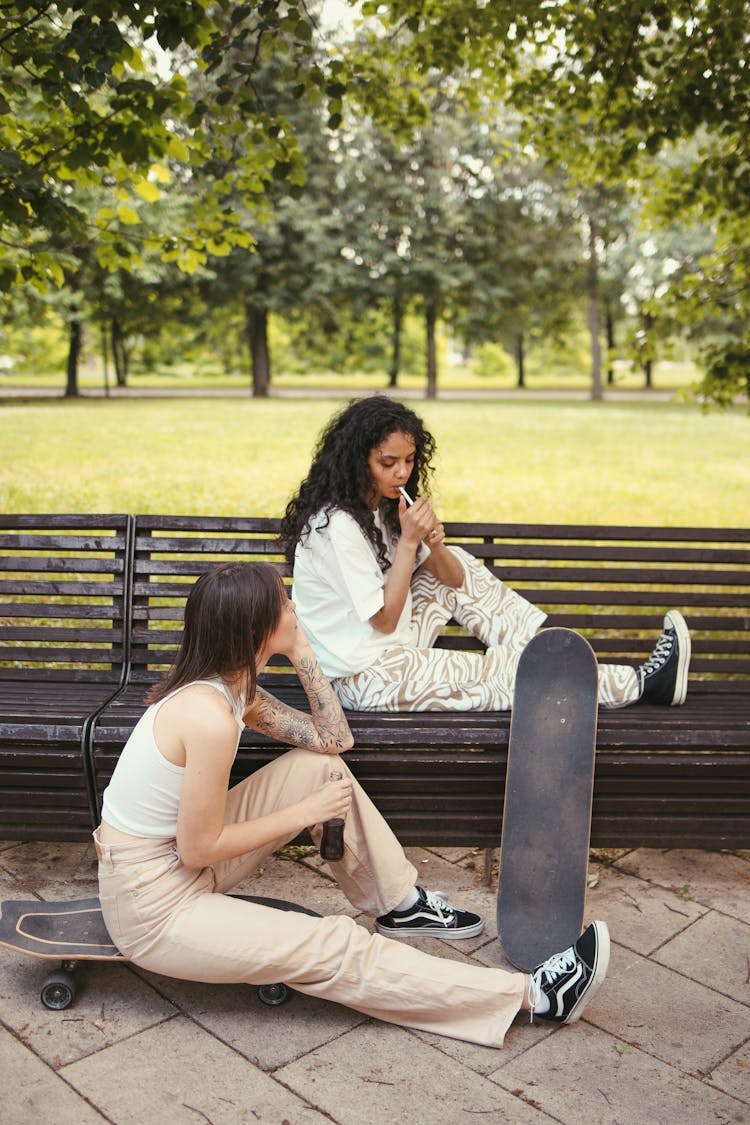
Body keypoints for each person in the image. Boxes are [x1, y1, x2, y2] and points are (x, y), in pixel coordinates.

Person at [94, 560, 609, 1048]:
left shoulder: (234, 691)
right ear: (254, 630)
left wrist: (301, 652)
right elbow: (198, 848)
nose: (292, 605)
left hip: (169, 865)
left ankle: (399, 906)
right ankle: (536, 996)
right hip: (154, 904)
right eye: (283, 603)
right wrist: (305, 814)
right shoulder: (207, 717)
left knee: (317, 770)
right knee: (334, 946)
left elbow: (333, 741)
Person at [279, 395, 691, 713]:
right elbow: (384, 620)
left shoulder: (381, 509)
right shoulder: (336, 527)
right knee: (494, 672)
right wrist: (408, 543)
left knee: (455, 562)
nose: (401, 473)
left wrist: (432, 543)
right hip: (361, 677)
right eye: (387, 462)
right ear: (356, 460)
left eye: (408, 460)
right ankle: (640, 684)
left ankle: (558, 653)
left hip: (387, 648)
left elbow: (455, 583)